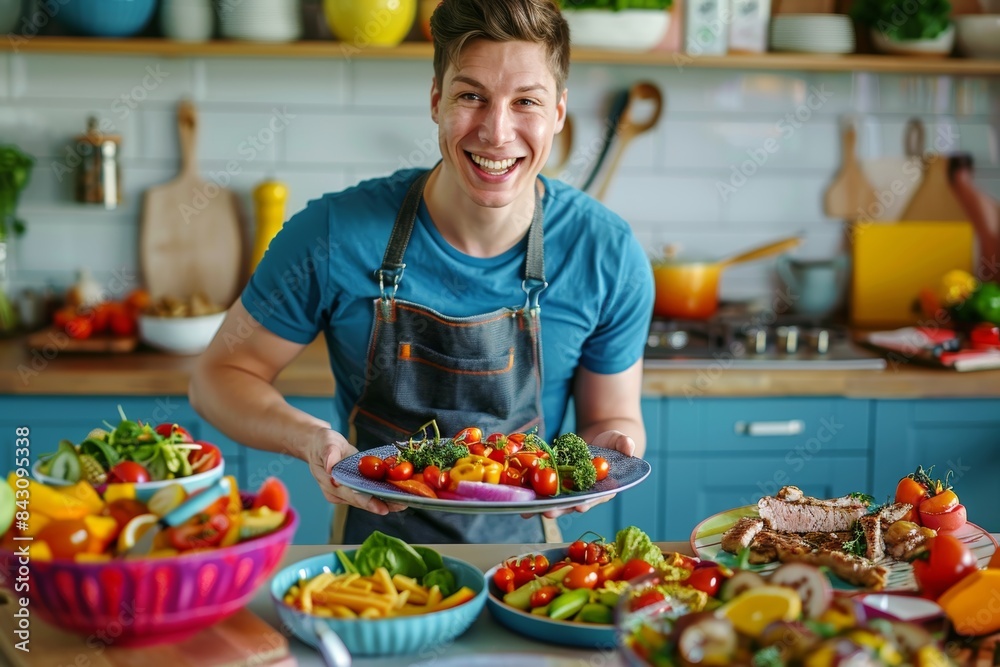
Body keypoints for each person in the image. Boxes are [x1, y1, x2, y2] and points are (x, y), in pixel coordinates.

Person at [189, 0, 655, 545]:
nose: (497, 132)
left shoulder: (606, 252)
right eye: (471, 96)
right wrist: (311, 439)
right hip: (370, 564)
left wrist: (615, 447)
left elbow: (612, 419)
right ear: (436, 100)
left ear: (558, 112)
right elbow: (217, 379)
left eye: (525, 101)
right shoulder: (333, 233)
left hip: (528, 566)